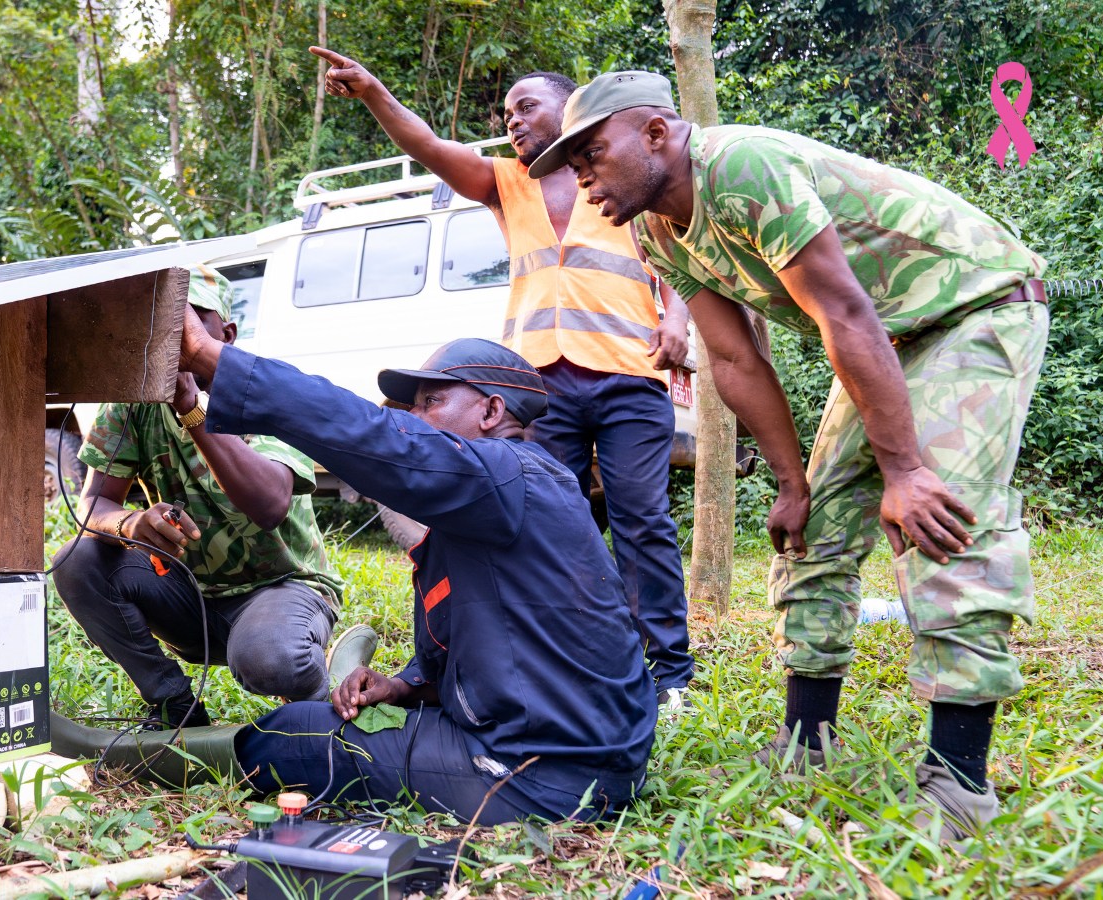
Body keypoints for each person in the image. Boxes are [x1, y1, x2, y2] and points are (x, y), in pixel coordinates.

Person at [530, 71, 1049, 839]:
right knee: (811, 534)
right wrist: (790, 482)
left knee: (939, 518)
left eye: (592, 154)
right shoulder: (655, 228)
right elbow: (735, 361)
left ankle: (959, 785)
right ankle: (808, 742)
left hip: (972, 310)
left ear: (656, 133)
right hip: (885, 339)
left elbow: (841, 308)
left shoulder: (742, 166)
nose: (583, 178)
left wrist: (905, 470)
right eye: (572, 166)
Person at [54, 324, 657, 825]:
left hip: (546, 776)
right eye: (412, 407)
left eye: (431, 403)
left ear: (493, 411)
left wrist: (211, 361)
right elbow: (488, 645)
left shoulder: (507, 475)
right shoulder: (495, 504)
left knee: (284, 738)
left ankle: (117, 758)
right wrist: (405, 685)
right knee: (313, 722)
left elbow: (373, 437)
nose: (415, 420)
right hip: (577, 750)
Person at [311, 47, 695, 706]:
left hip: (631, 374)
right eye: (507, 112)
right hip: (537, 389)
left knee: (643, 521)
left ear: (571, 110)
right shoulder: (505, 181)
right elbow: (429, 145)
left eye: (526, 106)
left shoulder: (625, 171)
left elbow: (679, 260)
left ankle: (668, 671)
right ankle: (569, 650)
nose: (512, 121)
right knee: (547, 523)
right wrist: (375, 91)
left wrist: (677, 321)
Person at [50, 267, 355, 731]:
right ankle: (176, 707)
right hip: (191, 597)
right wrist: (131, 525)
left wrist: (191, 409)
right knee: (76, 560)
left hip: (281, 588)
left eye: (187, 323)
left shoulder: (264, 389)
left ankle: (320, 705)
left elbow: (270, 504)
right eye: (159, 324)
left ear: (225, 335)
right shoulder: (133, 403)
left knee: (269, 659)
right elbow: (94, 504)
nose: (171, 339)